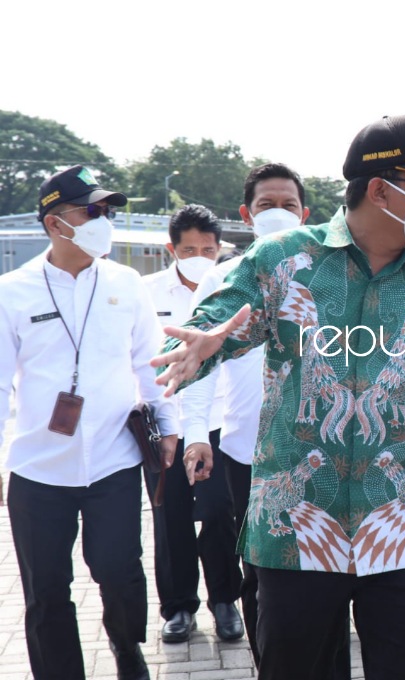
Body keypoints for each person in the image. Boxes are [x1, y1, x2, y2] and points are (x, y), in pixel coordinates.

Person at [152, 115, 405, 680]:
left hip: (404, 528)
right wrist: (201, 343)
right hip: (297, 528)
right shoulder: (284, 260)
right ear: (380, 190)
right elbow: (215, 325)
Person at [0, 165, 178, 680]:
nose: (105, 220)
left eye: (108, 211)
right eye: (93, 211)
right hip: (38, 470)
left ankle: (126, 645)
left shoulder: (126, 283)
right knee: (46, 589)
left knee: (120, 571)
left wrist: (169, 427)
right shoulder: (12, 291)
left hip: (113, 461)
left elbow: (150, 362)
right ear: (55, 223)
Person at [180, 163, 351, 675]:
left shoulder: (332, 273)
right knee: (261, 571)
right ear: (246, 214)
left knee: (330, 567)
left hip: (321, 448)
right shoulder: (222, 277)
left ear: (306, 212)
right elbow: (198, 360)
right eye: (265, 205)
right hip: (248, 451)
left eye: (288, 205)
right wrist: (196, 434)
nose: (278, 213)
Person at [141, 204, 244, 644]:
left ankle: (225, 601)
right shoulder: (146, 292)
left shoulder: (233, 289)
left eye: (207, 249)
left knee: (221, 512)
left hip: (219, 420)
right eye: (189, 250)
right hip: (165, 424)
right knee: (171, 517)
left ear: (219, 249)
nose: (199, 257)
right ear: (172, 249)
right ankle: (179, 607)